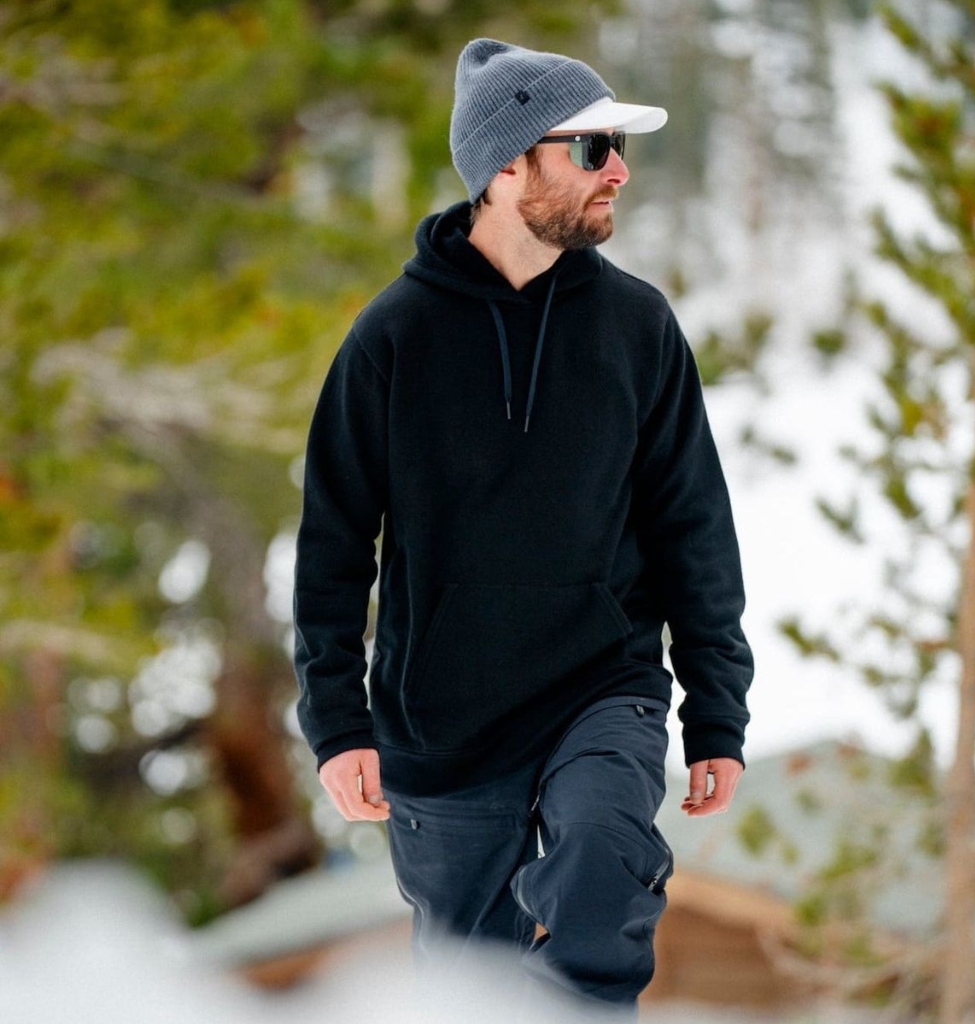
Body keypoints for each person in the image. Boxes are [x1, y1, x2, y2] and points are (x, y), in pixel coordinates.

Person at [293, 37, 754, 1014]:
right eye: (590, 150)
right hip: (440, 721)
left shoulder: (638, 327)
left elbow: (692, 527)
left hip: (602, 688)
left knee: (601, 863)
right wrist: (336, 725)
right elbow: (333, 543)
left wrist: (715, 709)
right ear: (508, 165)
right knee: (468, 984)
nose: (618, 171)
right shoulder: (392, 338)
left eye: (618, 150)